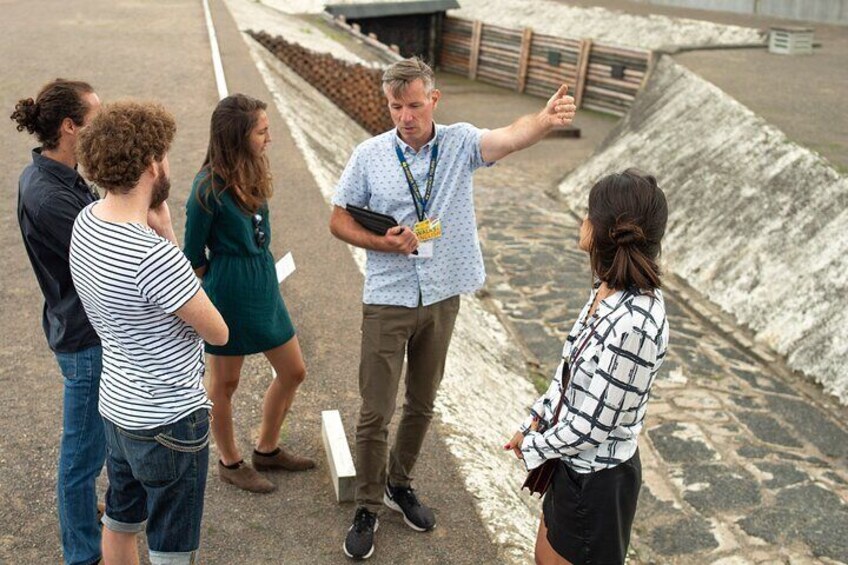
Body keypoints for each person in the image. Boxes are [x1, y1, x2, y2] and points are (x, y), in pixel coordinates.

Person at [329, 56, 577, 560]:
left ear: (434, 99)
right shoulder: (370, 155)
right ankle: (368, 506)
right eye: (396, 106)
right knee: (375, 411)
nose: (405, 116)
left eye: (414, 105)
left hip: (443, 294)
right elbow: (337, 221)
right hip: (388, 296)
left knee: (422, 402)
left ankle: (400, 484)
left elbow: (509, 136)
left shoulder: (461, 143)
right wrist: (384, 243)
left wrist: (545, 121)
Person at [69, 101, 228, 565]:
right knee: (171, 550)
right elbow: (217, 331)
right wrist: (170, 239)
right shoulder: (152, 256)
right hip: (169, 418)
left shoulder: (87, 222)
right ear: (151, 163)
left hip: (117, 407)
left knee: (120, 523)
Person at [504, 169, 669, 565]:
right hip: (571, 464)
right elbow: (567, 375)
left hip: (598, 482)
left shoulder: (638, 323)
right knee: (543, 555)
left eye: (588, 214)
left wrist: (535, 447)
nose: (582, 221)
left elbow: (596, 425)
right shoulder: (605, 290)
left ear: (607, 230)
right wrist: (533, 422)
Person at [183, 93, 314, 495]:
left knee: (293, 370)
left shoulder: (254, 166)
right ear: (238, 136)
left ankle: (267, 449)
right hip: (229, 289)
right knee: (225, 384)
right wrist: (221, 282)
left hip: (262, 280)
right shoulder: (206, 187)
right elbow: (192, 255)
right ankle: (229, 460)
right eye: (262, 131)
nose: (268, 138)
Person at [11, 78, 105, 565]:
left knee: (93, 447)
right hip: (84, 339)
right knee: (81, 459)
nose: (104, 127)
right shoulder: (51, 196)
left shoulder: (63, 175)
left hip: (80, 329)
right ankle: (83, 555)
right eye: (96, 118)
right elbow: (103, 255)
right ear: (70, 127)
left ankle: (90, 522)